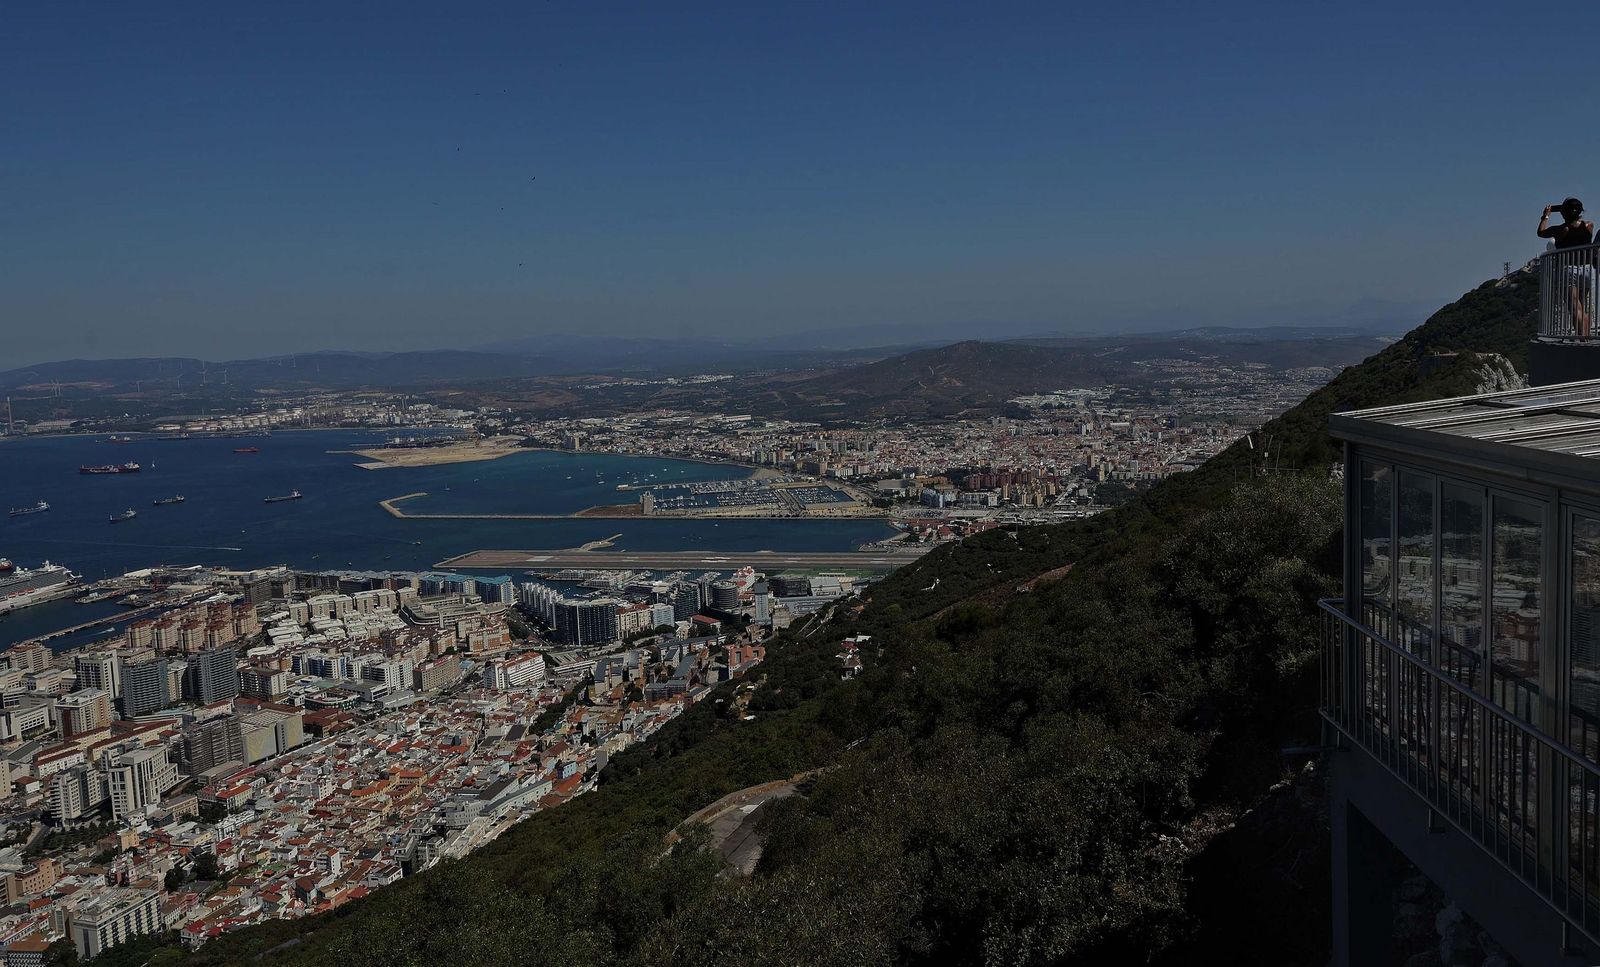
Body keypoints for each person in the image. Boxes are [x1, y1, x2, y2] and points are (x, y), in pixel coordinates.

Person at [1538, 197, 1596, 338]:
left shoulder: (1561, 229)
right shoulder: (1589, 225)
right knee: (1583, 307)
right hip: (1587, 269)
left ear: (1563, 213)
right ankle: (1585, 338)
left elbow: (1541, 232)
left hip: (1568, 270)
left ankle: (1582, 339)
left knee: (1575, 308)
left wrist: (1546, 216)